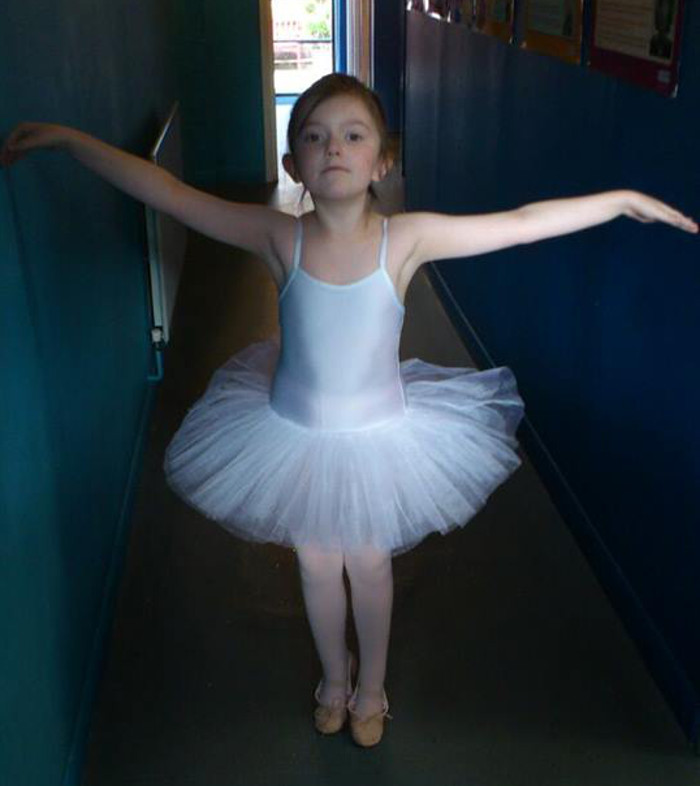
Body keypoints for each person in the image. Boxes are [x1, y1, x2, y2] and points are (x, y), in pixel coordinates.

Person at [2, 73, 696, 748]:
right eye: (315, 136)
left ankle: (373, 689)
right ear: (292, 163)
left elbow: (516, 224)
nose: (334, 147)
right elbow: (169, 192)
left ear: (382, 159)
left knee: (368, 563)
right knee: (312, 563)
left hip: (378, 436)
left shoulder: (407, 239)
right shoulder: (280, 238)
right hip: (293, 431)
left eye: (353, 134)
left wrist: (615, 200)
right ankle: (334, 681)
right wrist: (70, 140)